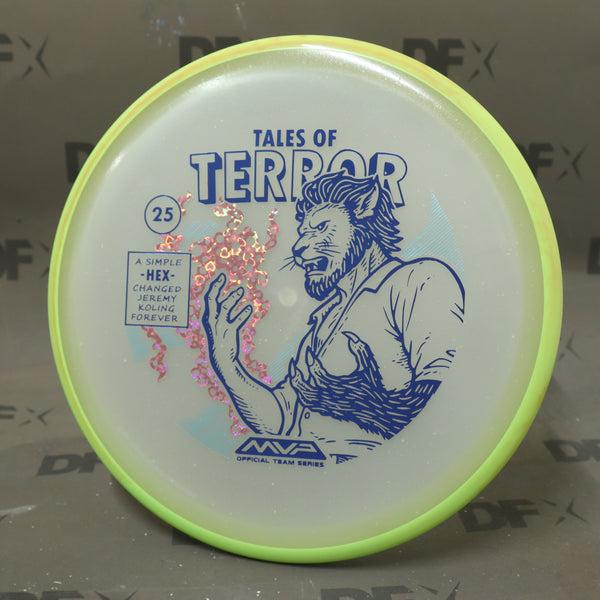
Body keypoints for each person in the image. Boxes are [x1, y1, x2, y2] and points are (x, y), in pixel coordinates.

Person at [202, 171, 465, 462]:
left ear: (364, 211)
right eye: (303, 232)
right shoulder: (324, 321)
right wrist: (227, 362)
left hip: (384, 480)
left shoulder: (419, 281)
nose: (299, 247)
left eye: (320, 228)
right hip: (308, 484)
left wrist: (353, 401)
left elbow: (446, 408)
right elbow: (279, 423)